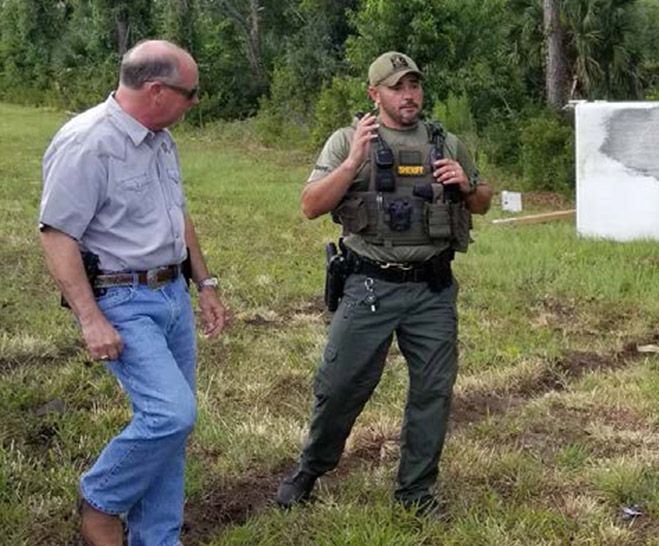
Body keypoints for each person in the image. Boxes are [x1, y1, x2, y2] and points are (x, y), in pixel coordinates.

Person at [275, 51, 492, 514]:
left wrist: (467, 188)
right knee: (340, 385)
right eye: (397, 87)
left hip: (431, 289)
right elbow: (311, 205)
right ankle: (311, 468)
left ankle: (415, 491)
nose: (408, 95)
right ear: (375, 95)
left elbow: (483, 201)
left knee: (433, 390)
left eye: (414, 85)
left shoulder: (445, 141)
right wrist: (353, 160)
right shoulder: (347, 141)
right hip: (369, 285)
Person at [38, 39, 226, 546]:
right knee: (172, 413)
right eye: (191, 94)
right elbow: (56, 234)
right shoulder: (87, 143)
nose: (195, 103)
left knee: (172, 432)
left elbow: (177, 216)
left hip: (171, 297)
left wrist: (204, 283)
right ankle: (100, 499)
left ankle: (158, 539)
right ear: (158, 90)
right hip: (122, 300)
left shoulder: (159, 137)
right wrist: (89, 319)